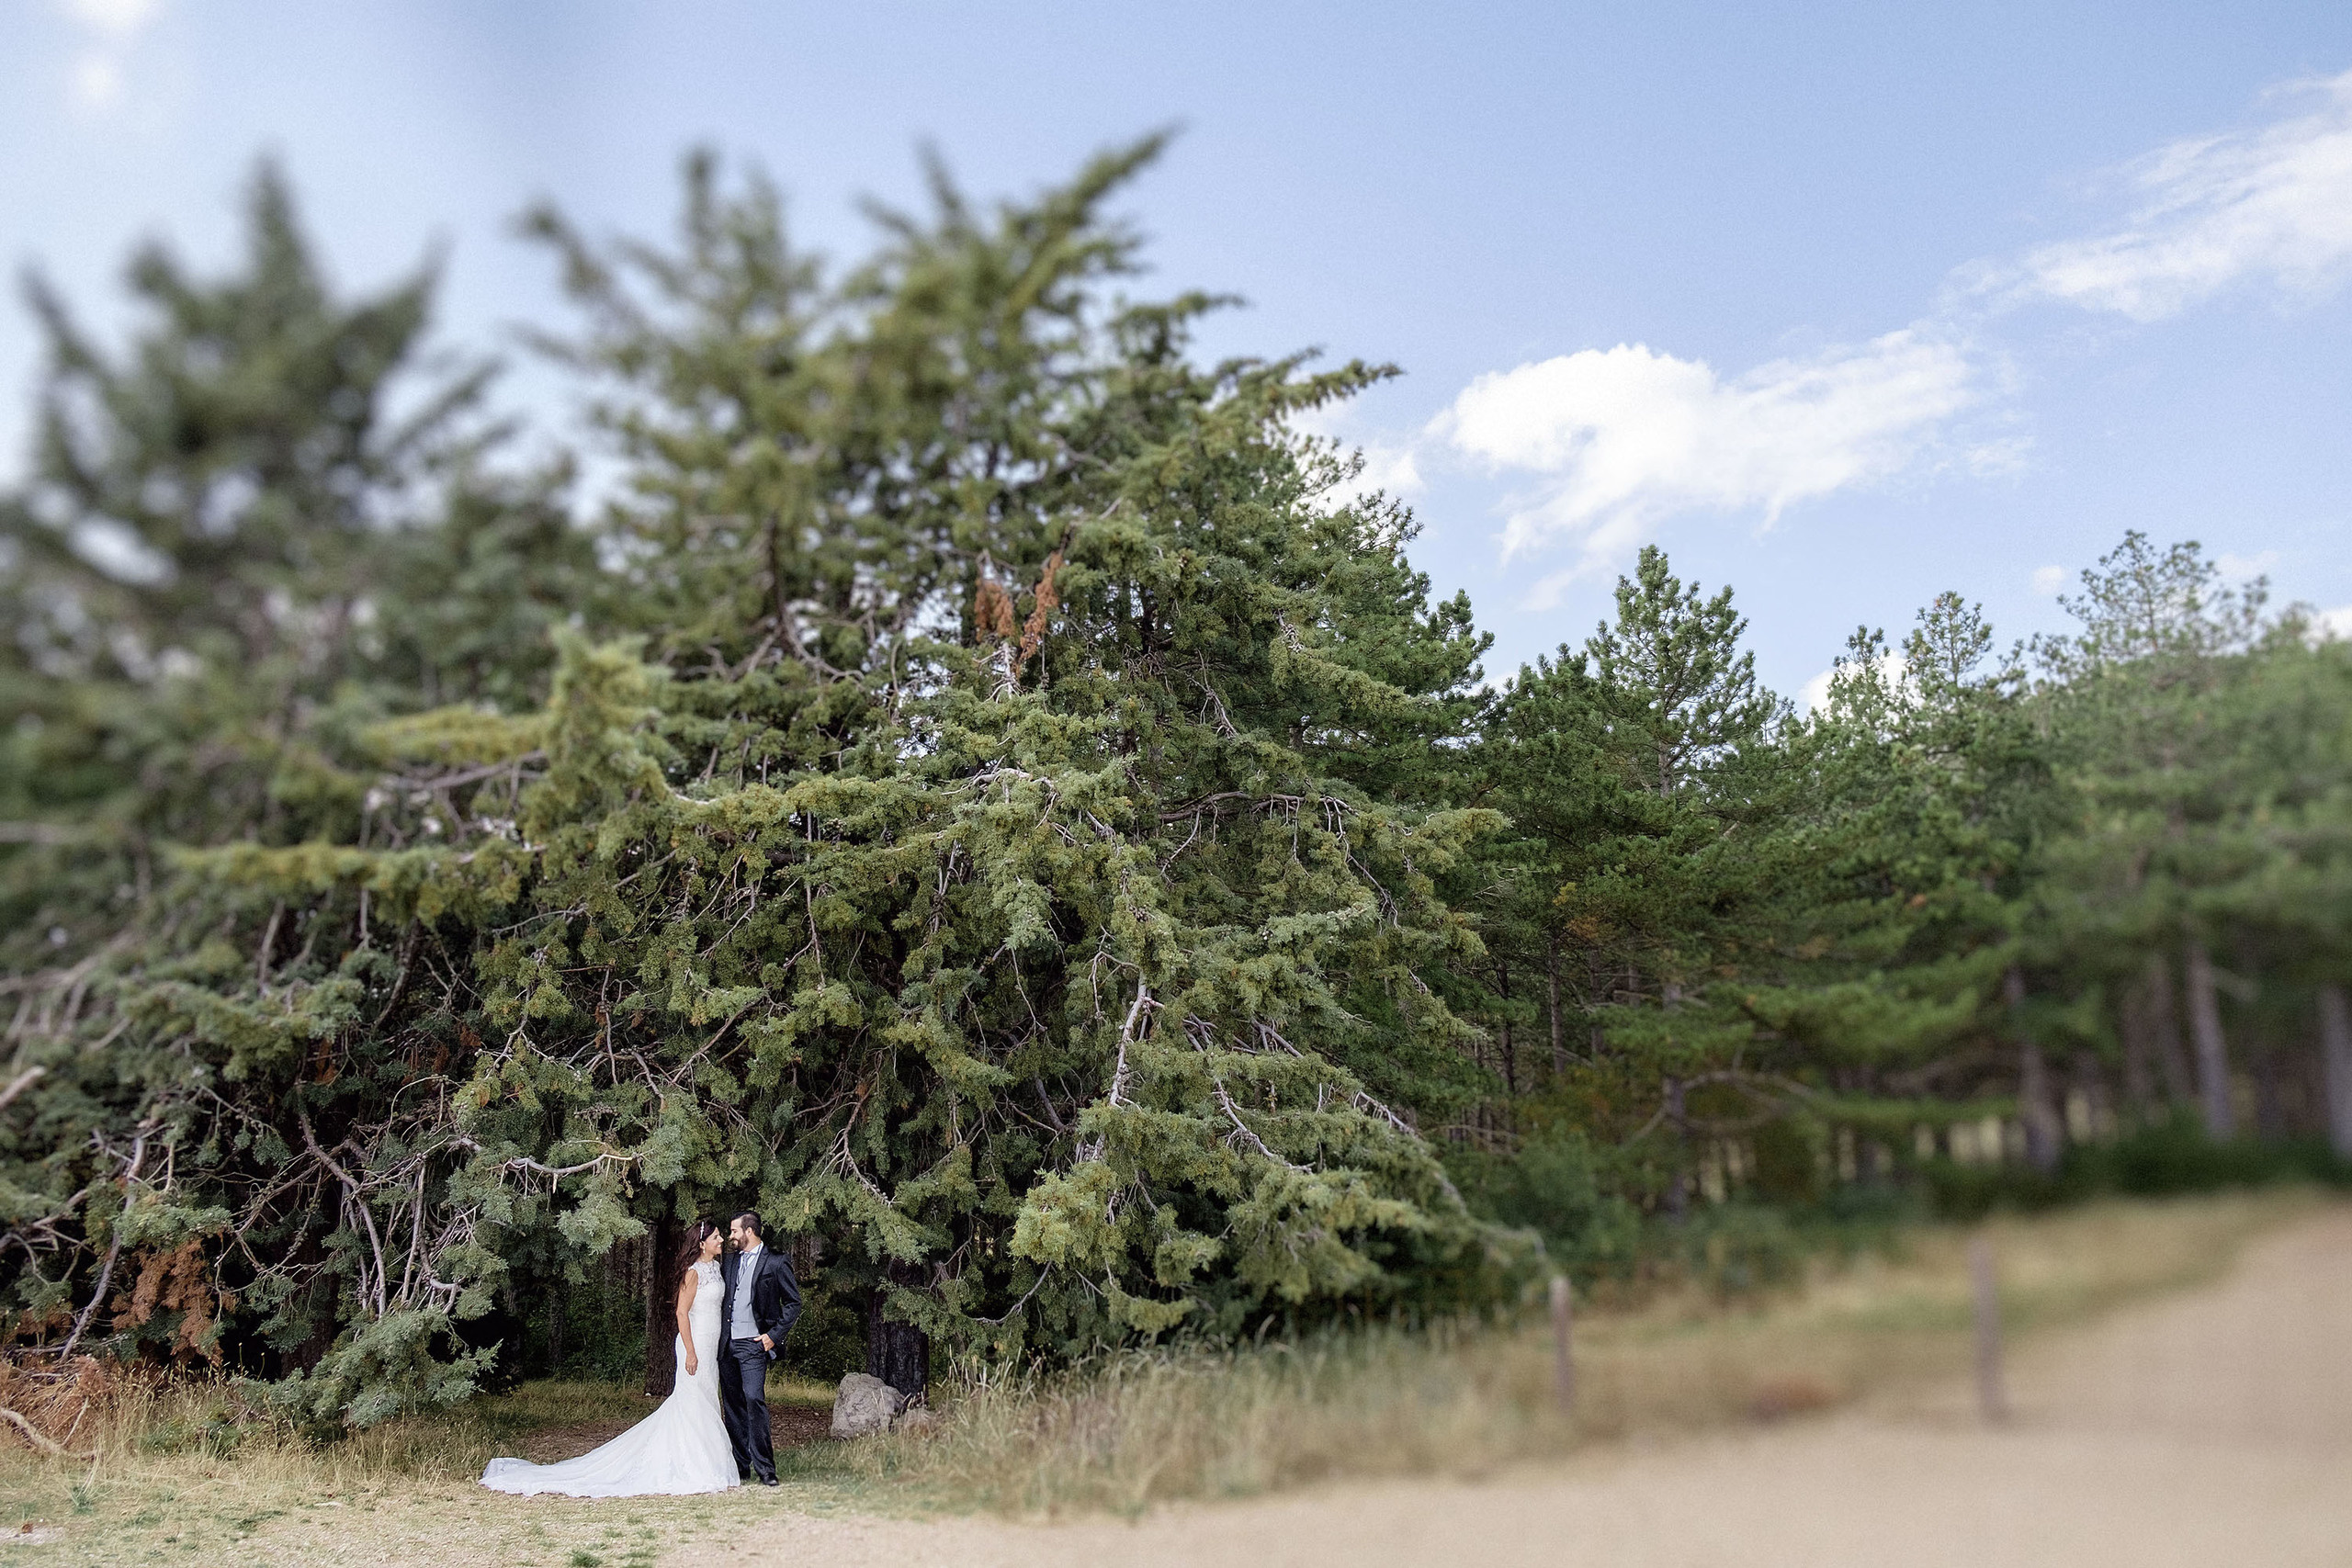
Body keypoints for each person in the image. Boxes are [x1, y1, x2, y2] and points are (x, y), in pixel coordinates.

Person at [478, 1220, 740, 1497]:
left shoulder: (716, 1268)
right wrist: (690, 1351)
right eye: (715, 1237)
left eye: (720, 1236)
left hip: (711, 1346)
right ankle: (694, 1467)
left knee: (707, 1400)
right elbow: (681, 1314)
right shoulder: (693, 1272)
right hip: (694, 1344)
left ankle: (706, 1462)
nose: (721, 1239)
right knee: (692, 1402)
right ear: (701, 1244)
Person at [718, 1210, 801, 1486]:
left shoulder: (776, 1262)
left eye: (734, 1231)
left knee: (754, 1399)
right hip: (728, 1344)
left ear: (749, 1232)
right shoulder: (729, 1262)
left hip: (755, 1344)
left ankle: (766, 1469)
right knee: (732, 1406)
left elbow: (793, 1303)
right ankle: (740, 1467)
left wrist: (773, 1336)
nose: (730, 1236)